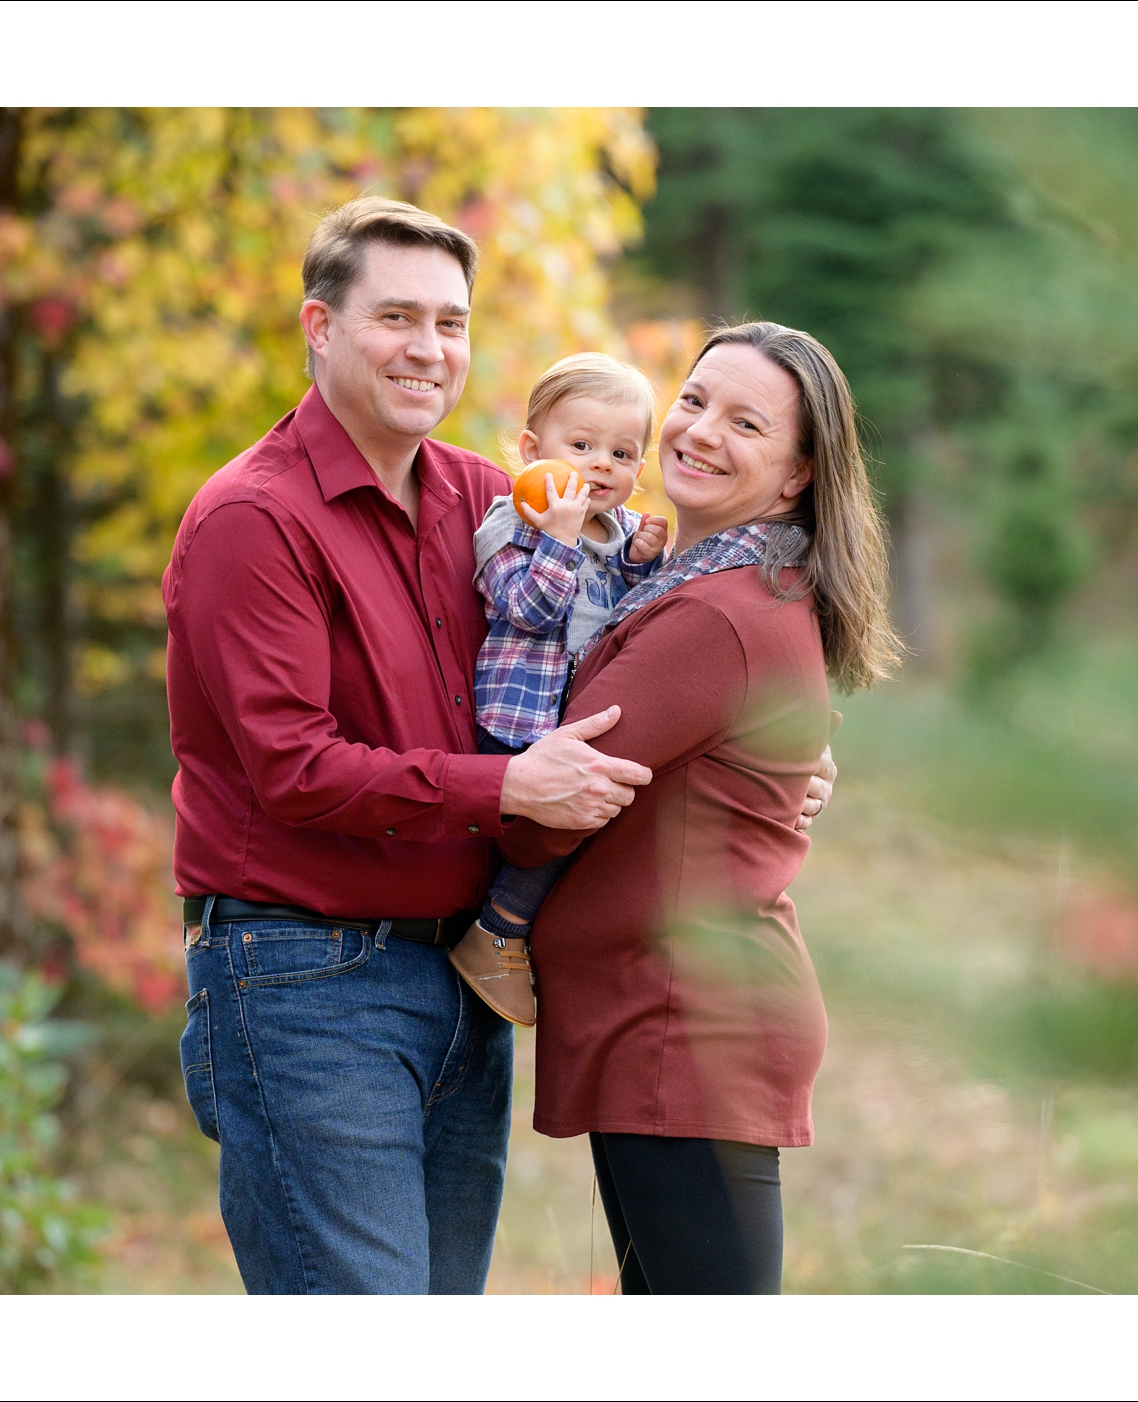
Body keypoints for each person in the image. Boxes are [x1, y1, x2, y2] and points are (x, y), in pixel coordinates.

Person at [163, 197, 660, 1294]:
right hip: (306, 980)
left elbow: (616, 642)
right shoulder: (254, 518)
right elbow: (292, 767)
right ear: (319, 325)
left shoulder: (488, 496)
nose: (428, 349)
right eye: (396, 316)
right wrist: (508, 784)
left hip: (462, 975)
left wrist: (764, 762)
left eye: (450, 321)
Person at [501, 321, 900, 1293]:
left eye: (745, 422)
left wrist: (470, 796)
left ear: (798, 471)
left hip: (684, 1024)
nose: (700, 430)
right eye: (693, 400)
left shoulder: (717, 612)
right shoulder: (706, 584)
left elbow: (551, 806)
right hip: (671, 1013)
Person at [448, 353, 671, 1026]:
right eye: (581, 446)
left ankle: (513, 937)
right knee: (554, 831)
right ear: (531, 450)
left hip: (577, 719)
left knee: (593, 830)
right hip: (517, 720)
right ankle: (497, 930)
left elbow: (633, 624)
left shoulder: (626, 531)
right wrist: (560, 540)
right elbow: (530, 609)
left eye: (622, 452)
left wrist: (640, 563)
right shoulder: (511, 521)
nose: (601, 465)